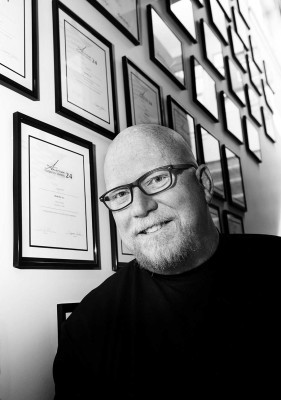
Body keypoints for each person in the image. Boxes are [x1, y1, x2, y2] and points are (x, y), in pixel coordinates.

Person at [53, 124, 280, 399]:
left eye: (157, 179)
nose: (139, 208)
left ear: (204, 184)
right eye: (120, 195)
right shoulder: (86, 328)